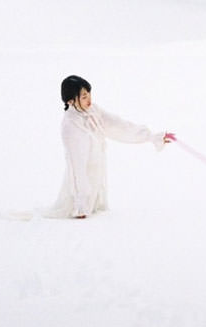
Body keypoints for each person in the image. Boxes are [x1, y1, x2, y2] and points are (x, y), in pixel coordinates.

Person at [45, 74, 174, 219]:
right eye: (84, 97)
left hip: (97, 174)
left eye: (89, 94)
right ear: (70, 100)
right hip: (81, 187)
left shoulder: (93, 111)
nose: (89, 100)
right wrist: (80, 205)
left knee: (98, 210)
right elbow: (76, 166)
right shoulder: (70, 125)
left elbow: (119, 126)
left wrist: (152, 137)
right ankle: (81, 204)